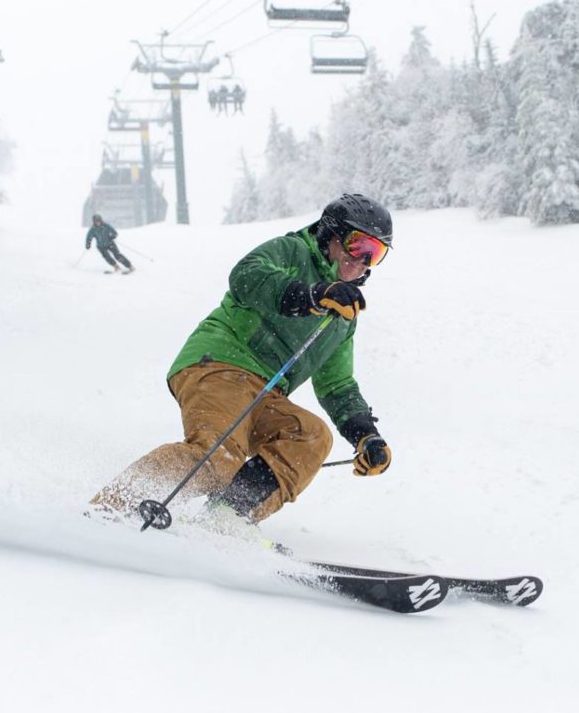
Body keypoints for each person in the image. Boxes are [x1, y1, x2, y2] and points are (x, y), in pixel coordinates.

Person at [90, 194, 394, 525]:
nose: (362, 261)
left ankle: (227, 517)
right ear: (330, 236)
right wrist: (310, 296)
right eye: (358, 245)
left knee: (311, 435)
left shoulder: (343, 315)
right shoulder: (292, 252)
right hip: (221, 363)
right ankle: (110, 507)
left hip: (267, 392)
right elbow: (246, 276)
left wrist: (365, 434)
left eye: (374, 254)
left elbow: (336, 384)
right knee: (219, 458)